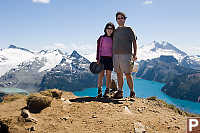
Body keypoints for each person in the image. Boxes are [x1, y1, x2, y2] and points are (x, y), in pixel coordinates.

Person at [112, 12, 137, 99]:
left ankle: (132, 92)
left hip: (126, 55)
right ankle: (120, 92)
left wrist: (135, 54)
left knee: (127, 73)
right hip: (115, 55)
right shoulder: (115, 31)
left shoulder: (129, 29)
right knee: (119, 74)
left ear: (125, 19)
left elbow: (134, 42)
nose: (120, 20)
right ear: (116, 20)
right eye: (118, 18)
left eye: (121, 18)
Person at [96, 22, 115, 98]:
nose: (109, 30)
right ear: (105, 29)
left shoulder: (114, 38)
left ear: (113, 30)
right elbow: (98, 49)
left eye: (111, 29)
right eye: (108, 28)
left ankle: (107, 91)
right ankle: (99, 91)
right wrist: (97, 58)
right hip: (102, 58)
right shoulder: (101, 38)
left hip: (110, 58)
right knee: (100, 75)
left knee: (108, 75)